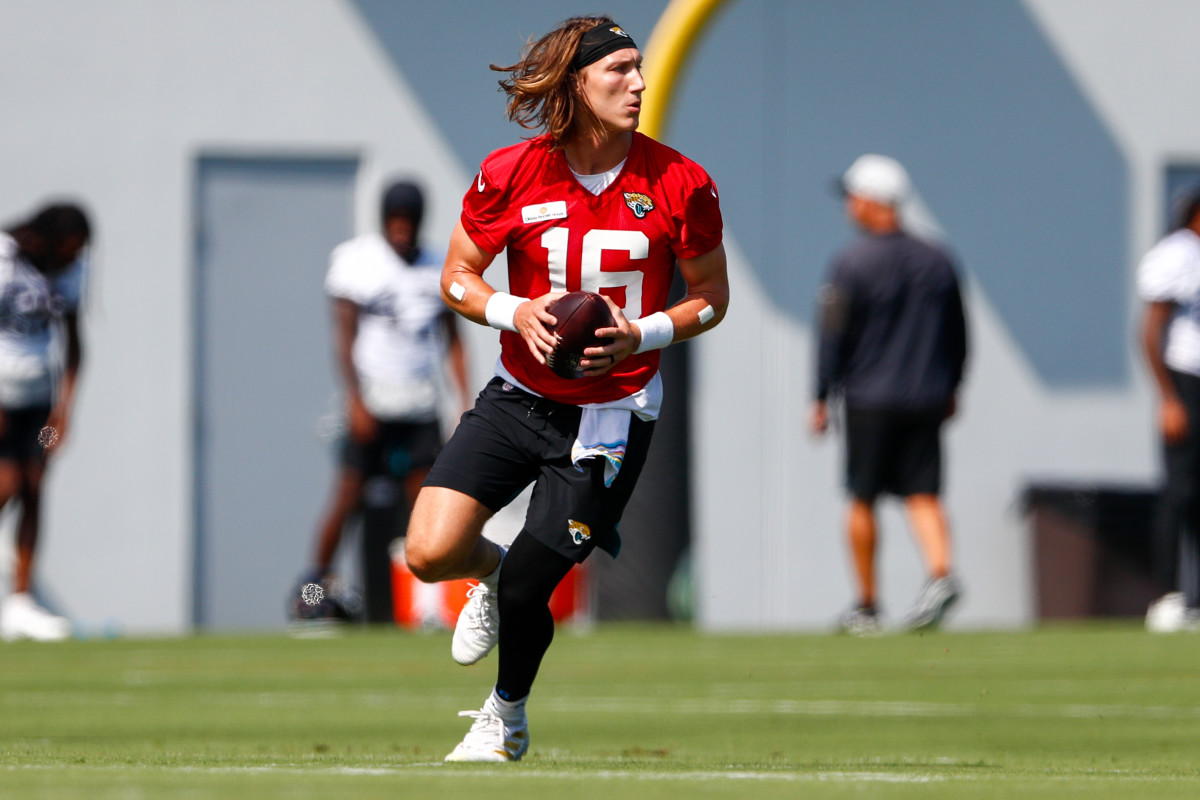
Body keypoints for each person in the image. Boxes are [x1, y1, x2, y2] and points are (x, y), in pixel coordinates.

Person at [402, 16, 728, 761]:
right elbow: (455, 276)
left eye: (641, 68)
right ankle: (489, 572)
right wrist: (517, 311)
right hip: (518, 392)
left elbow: (712, 295)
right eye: (618, 70)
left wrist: (641, 332)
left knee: (531, 587)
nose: (638, 84)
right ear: (575, 84)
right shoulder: (511, 171)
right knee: (427, 551)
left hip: (612, 414)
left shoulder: (682, 180)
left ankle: (505, 717)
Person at [290, 180, 470, 624]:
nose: (402, 231)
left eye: (409, 221)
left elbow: (453, 341)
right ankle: (312, 593)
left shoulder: (435, 268)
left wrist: (463, 400)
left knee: (425, 502)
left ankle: (429, 604)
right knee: (347, 498)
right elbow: (345, 337)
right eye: (395, 221)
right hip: (371, 400)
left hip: (420, 403)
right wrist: (355, 399)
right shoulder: (358, 262)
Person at [809, 154, 968, 635]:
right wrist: (952, 386)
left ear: (874, 201)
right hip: (925, 397)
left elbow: (832, 335)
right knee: (924, 493)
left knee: (861, 497)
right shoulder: (938, 259)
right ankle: (941, 574)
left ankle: (867, 604)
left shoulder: (851, 262)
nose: (849, 206)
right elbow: (959, 334)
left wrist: (820, 396)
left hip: (869, 400)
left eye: (854, 197)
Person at [0, 202, 90, 642]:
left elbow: (75, 345)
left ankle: (20, 601)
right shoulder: (5, 259)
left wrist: (64, 414)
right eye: (69, 249)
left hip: (41, 405)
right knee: (9, 482)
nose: (74, 258)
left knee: (35, 486)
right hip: (1, 396)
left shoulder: (70, 273)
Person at [1138, 184, 1200, 633]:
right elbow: (1150, 332)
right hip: (1186, 381)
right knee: (1181, 493)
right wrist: (1168, 398)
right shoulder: (1177, 254)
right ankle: (1170, 593)